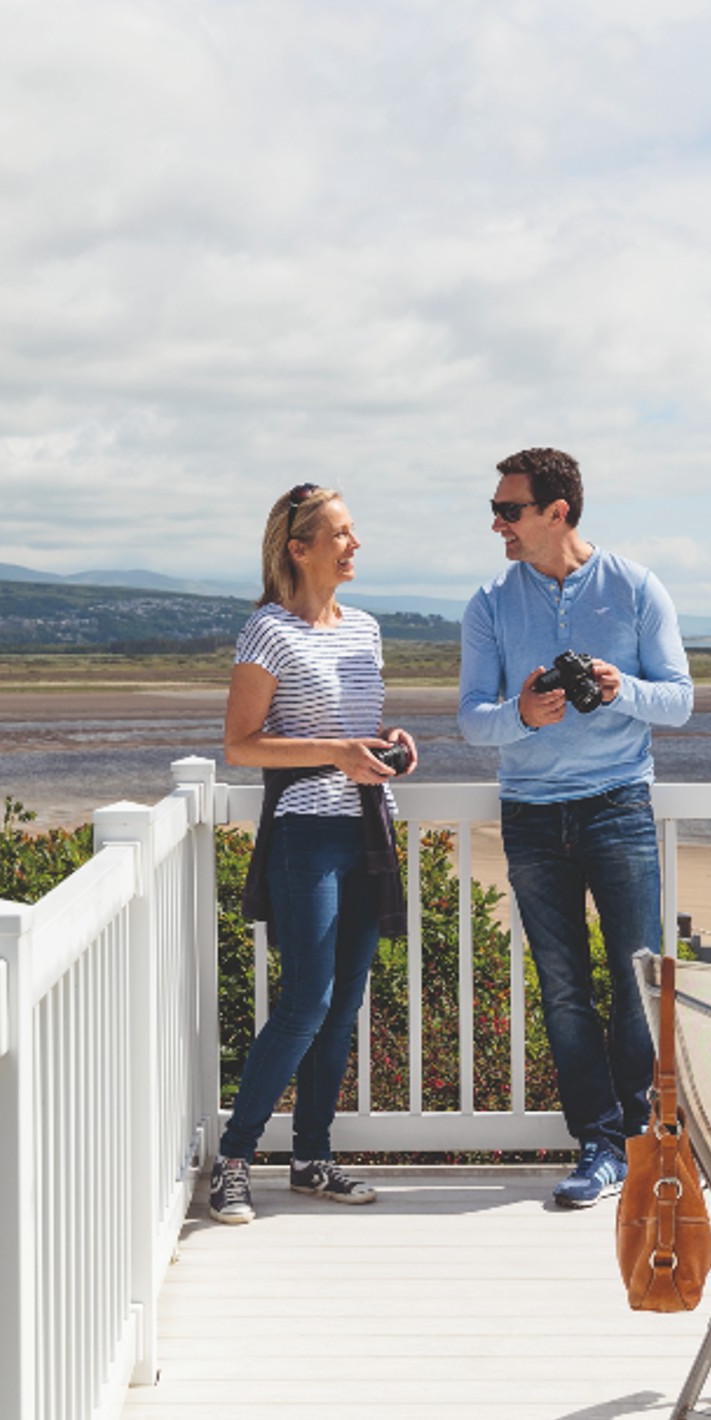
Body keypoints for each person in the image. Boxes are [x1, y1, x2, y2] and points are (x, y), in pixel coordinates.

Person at [458, 446, 693, 1208]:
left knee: (637, 981)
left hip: (618, 805)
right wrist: (523, 714)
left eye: (510, 510)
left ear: (557, 512)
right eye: (496, 510)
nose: (497, 524)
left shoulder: (635, 587)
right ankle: (599, 1144)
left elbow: (680, 699)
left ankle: (641, 1138)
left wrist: (622, 689)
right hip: (530, 815)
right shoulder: (490, 603)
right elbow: (473, 720)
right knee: (563, 990)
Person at [208, 482, 416, 1225]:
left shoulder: (365, 629)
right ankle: (234, 1161)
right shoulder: (267, 630)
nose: (354, 544)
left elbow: (349, 725)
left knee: (343, 1006)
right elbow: (241, 745)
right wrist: (336, 752)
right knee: (306, 1001)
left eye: (352, 531)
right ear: (299, 550)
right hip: (307, 832)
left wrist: (388, 743)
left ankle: (311, 1158)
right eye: (340, 534)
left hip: (367, 828)